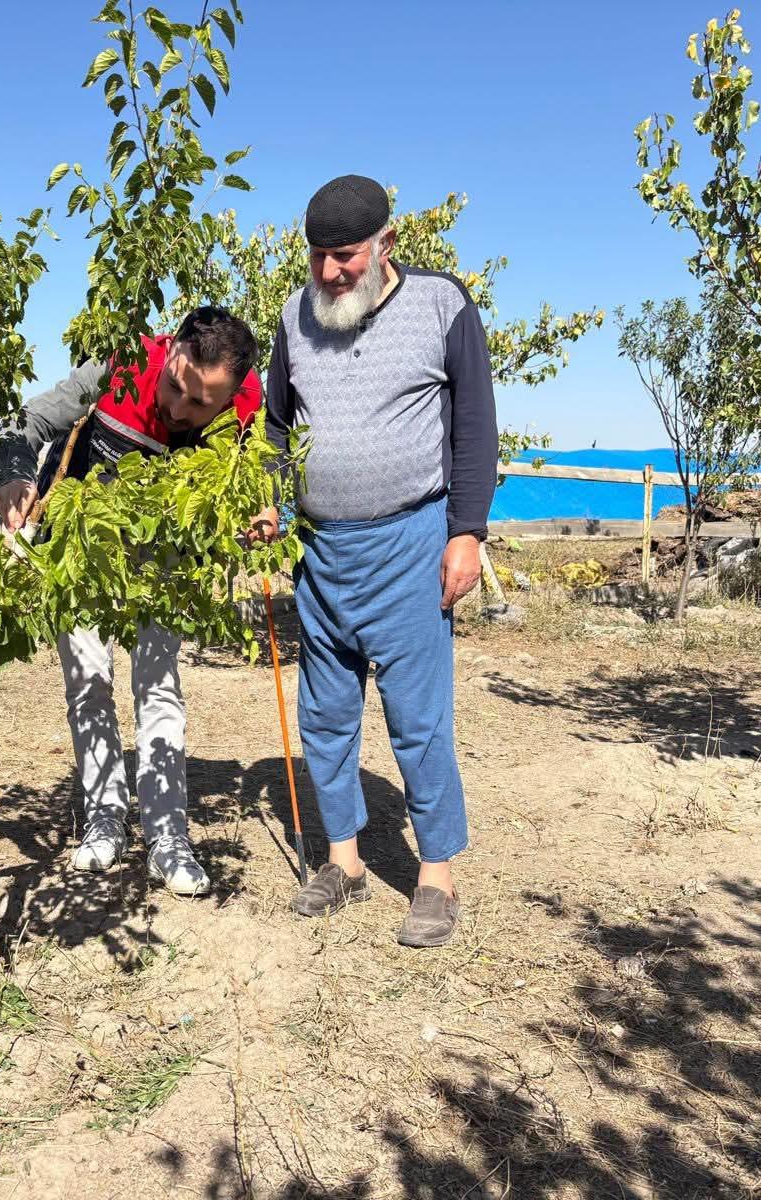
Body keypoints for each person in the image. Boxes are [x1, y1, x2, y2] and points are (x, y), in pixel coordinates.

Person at [251, 174, 498, 947]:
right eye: (318, 257)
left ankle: (436, 877)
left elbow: (475, 425)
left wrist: (467, 531)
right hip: (320, 553)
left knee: (418, 723)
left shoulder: (442, 304)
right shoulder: (294, 318)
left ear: (386, 244)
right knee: (325, 719)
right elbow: (277, 428)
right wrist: (271, 501)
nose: (329, 273)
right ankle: (345, 862)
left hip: (411, 545)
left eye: (345, 256)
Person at [0, 306, 263, 895]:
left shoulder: (246, 406)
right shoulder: (121, 360)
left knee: (159, 684)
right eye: (176, 388)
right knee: (88, 683)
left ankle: (168, 832)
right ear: (170, 353)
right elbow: (30, 420)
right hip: (80, 553)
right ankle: (104, 816)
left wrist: (260, 506)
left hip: (160, 569)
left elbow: (260, 474)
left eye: (200, 405)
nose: (179, 409)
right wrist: (13, 473)